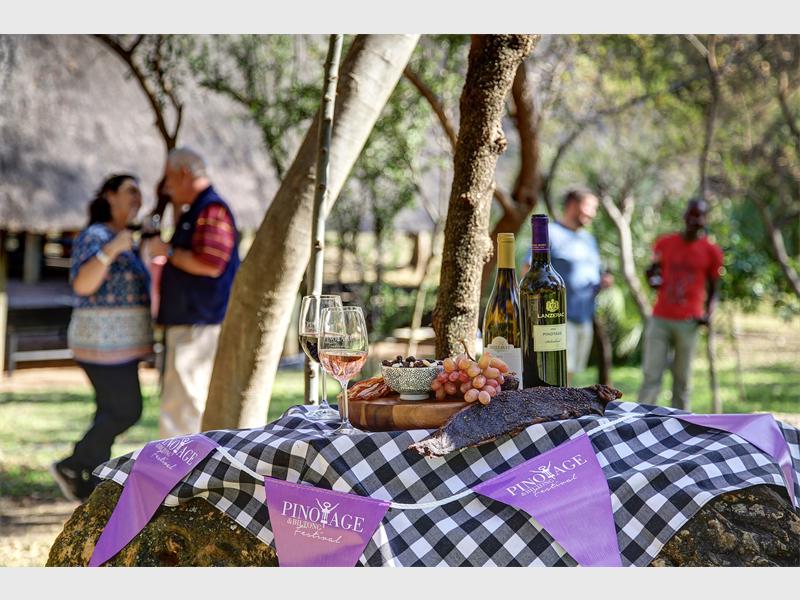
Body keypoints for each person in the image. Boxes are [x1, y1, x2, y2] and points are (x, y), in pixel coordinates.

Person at [51, 174, 153, 502]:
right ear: (109, 195)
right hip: (100, 344)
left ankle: (91, 481)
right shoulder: (95, 236)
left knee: (109, 411)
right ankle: (74, 463)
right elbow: (83, 284)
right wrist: (112, 249)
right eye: (130, 191)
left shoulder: (126, 239)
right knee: (127, 410)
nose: (137, 197)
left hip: (122, 346)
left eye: (139, 192)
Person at [148, 147, 240, 437]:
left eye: (169, 178)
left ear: (184, 174)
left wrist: (167, 251)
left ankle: (183, 463)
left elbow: (211, 264)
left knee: (185, 403)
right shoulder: (199, 209)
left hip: (198, 323)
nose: (166, 187)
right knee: (181, 401)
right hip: (191, 320)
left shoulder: (211, 210)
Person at [638, 198, 724, 410]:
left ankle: (680, 421)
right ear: (685, 216)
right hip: (660, 318)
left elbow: (715, 287)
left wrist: (709, 313)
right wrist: (651, 278)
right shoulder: (665, 243)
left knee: (682, 379)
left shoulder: (711, 251)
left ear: (705, 220)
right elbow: (652, 271)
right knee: (651, 375)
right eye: (691, 214)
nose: (694, 220)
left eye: (699, 216)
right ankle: (640, 419)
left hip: (689, 322)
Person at [523, 188, 613, 382]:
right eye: (589, 206)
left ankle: (565, 400)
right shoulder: (551, 233)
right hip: (559, 318)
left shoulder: (588, 239)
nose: (593, 213)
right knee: (561, 371)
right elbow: (527, 270)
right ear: (572, 205)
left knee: (572, 373)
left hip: (585, 316)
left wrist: (602, 282)